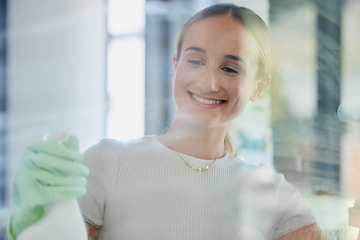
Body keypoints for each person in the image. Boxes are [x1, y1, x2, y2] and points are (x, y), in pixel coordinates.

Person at [8, 3, 326, 240]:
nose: (209, 82)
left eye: (231, 69)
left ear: (259, 86)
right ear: (175, 64)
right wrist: (31, 223)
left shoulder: (270, 192)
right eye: (195, 60)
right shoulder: (108, 162)